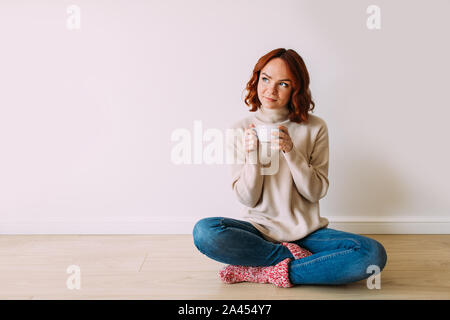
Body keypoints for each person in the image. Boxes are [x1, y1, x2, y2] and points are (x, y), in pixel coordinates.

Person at [192, 48, 387, 287]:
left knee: (372, 254)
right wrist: (252, 156)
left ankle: (264, 272)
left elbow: (315, 192)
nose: (270, 90)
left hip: (308, 234)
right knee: (205, 231)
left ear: (296, 88)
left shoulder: (315, 127)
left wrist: (291, 152)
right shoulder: (240, 128)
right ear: (257, 79)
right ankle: (308, 265)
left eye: (283, 84)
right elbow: (248, 199)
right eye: (265, 79)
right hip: (259, 230)